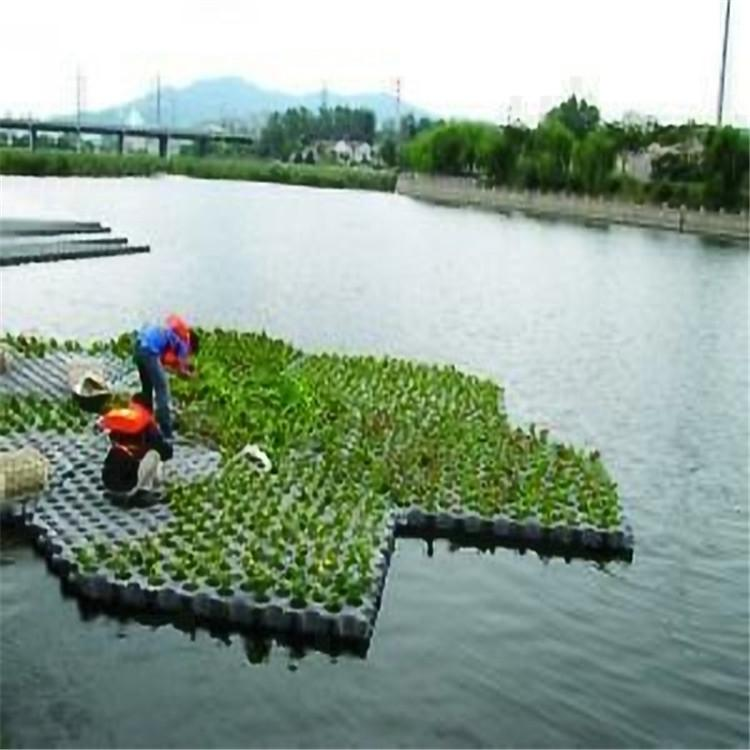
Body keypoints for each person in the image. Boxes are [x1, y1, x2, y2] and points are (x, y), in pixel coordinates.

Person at [133, 314, 198, 440]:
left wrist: (180, 368)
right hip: (149, 350)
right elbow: (180, 372)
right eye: (190, 354)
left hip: (139, 346)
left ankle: (146, 422)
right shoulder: (185, 342)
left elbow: (162, 364)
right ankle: (166, 430)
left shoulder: (172, 332)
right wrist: (191, 376)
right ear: (191, 347)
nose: (188, 356)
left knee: (147, 388)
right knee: (162, 389)